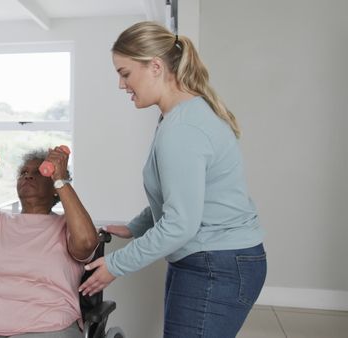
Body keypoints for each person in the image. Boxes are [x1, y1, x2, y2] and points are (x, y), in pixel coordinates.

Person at [78, 21, 267, 338]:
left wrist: (116, 265)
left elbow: (181, 223)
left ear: (154, 66)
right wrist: (137, 226)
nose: (121, 85)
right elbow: (184, 196)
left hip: (215, 266)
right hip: (212, 260)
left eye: (125, 73)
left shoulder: (182, 130)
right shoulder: (180, 116)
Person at [0, 147, 99, 338]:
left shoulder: (69, 226)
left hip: (48, 326)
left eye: (38, 172)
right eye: (23, 173)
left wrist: (61, 179)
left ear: (55, 187)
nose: (28, 177)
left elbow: (87, 242)